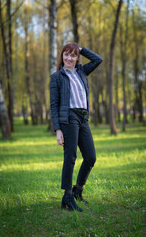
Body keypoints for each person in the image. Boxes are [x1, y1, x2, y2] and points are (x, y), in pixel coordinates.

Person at [50, 43, 103, 212]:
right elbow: (54, 104)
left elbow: (98, 59)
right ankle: (67, 197)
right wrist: (58, 129)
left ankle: (77, 190)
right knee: (70, 157)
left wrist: (81, 49)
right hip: (69, 118)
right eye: (66, 54)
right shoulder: (57, 77)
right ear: (62, 56)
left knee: (90, 157)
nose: (69, 58)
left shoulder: (81, 71)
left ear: (77, 58)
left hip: (83, 118)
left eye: (73, 55)